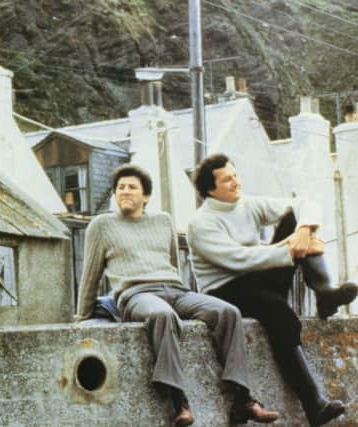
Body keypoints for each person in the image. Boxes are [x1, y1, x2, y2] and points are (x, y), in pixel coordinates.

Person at [75, 164, 279, 426]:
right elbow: (90, 274)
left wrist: (184, 295)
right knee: (163, 316)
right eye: (120, 188)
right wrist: (81, 317)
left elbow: (173, 262)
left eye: (131, 187)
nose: (124, 191)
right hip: (135, 294)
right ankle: (179, 402)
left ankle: (243, 400)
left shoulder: (163, 220)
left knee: (227, 312)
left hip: (174, 288)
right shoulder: (102, 225)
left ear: (146, 196)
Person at [187, 153, 357, 427]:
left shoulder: (247, 204)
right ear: (210, 189)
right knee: (278, 311)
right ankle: (314, 403)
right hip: (225, 288)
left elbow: (305, 203)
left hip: (258, 276)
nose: (235, 182)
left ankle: (324, 293)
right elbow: (239, 259)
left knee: (298, 221)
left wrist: (302, 232)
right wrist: (291, 249)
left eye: (235, 175)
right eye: (227, 179)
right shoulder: (201, 223)